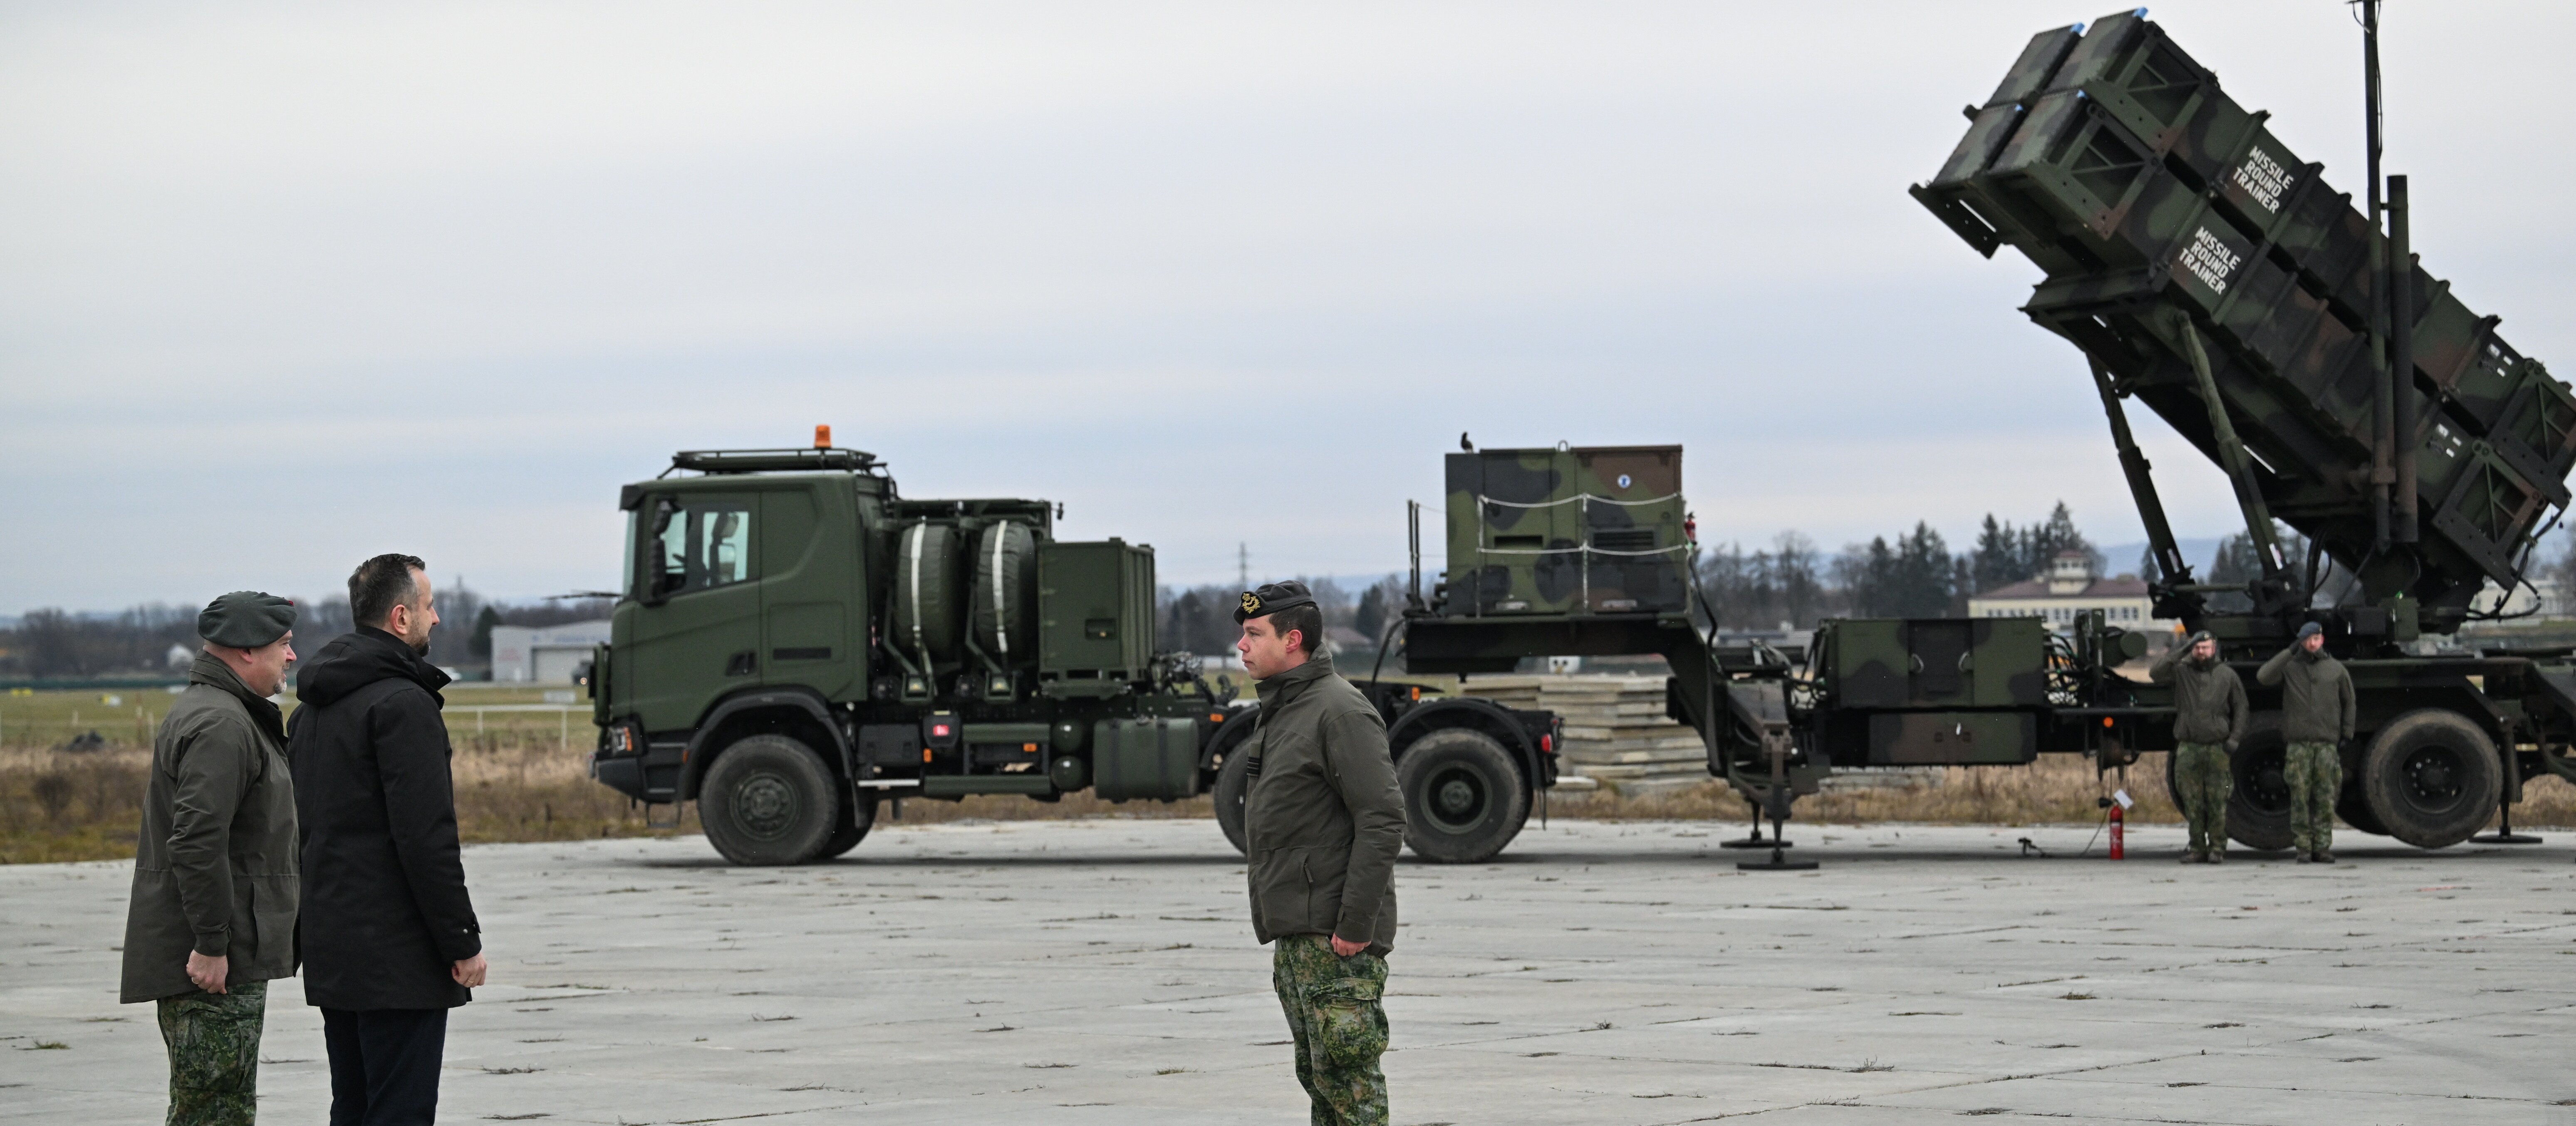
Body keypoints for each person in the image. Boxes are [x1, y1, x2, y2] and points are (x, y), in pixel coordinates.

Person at [289, 554, 485, 1126]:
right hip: (399, 960)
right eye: (429, 606)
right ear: (401, 617)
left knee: (353, 1106)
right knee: (400, 1110)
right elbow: (426, 839)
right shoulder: (403, 705)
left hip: (334, 950)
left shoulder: (311, 711)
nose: (437, 617)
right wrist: (461, 940)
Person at [120, 591, 300, 1126]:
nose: (291, 656)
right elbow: (197, 842)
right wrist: (211, 943)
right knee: (215, 1111)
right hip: (216, 963)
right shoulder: (222, 724)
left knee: (215, 1107)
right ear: (247, 649)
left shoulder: (223, 712)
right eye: (284, 644)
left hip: (227, 949)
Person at [1234, 580, 1406, 1126]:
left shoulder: (1339, 712)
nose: (1242, 645)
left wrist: (1355, 923)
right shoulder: (1285, 709)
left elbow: (1383, 818)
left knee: (1350, 1084)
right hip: (1299, 931)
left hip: (1335, 937)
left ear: (1293, 640)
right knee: (1321, 1078)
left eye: (1255, 633)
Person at [2259, 621, 2356, 863]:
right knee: (2299, 799)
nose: (2312, 644)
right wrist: (2290, 651)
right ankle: (2303, 847)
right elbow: (2264, 677)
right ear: (2301, 642)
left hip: (2326, 745)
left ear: (2322, 640)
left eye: (2316, 639)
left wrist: (2347, 734)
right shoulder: (2290, 667)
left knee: (2326, 798)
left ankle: (2322, 847)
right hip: (2299, 745)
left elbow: (2349, 702)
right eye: (2307, 640)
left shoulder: (2336, 669)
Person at [2152, 630, 2248, 864]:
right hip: (2189, 747)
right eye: (2197, 648)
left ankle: (2217, 848)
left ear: (2214, 649)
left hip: (2217, 748)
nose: (2201, 652)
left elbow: (2241, 708)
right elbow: (2156, 673)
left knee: (2218, 800)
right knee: (2191, 800)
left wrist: (2235, 739)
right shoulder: (2182, 672)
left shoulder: (2227, 675)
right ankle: (2197, 848)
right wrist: (2183, 650)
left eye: (2205, 647)